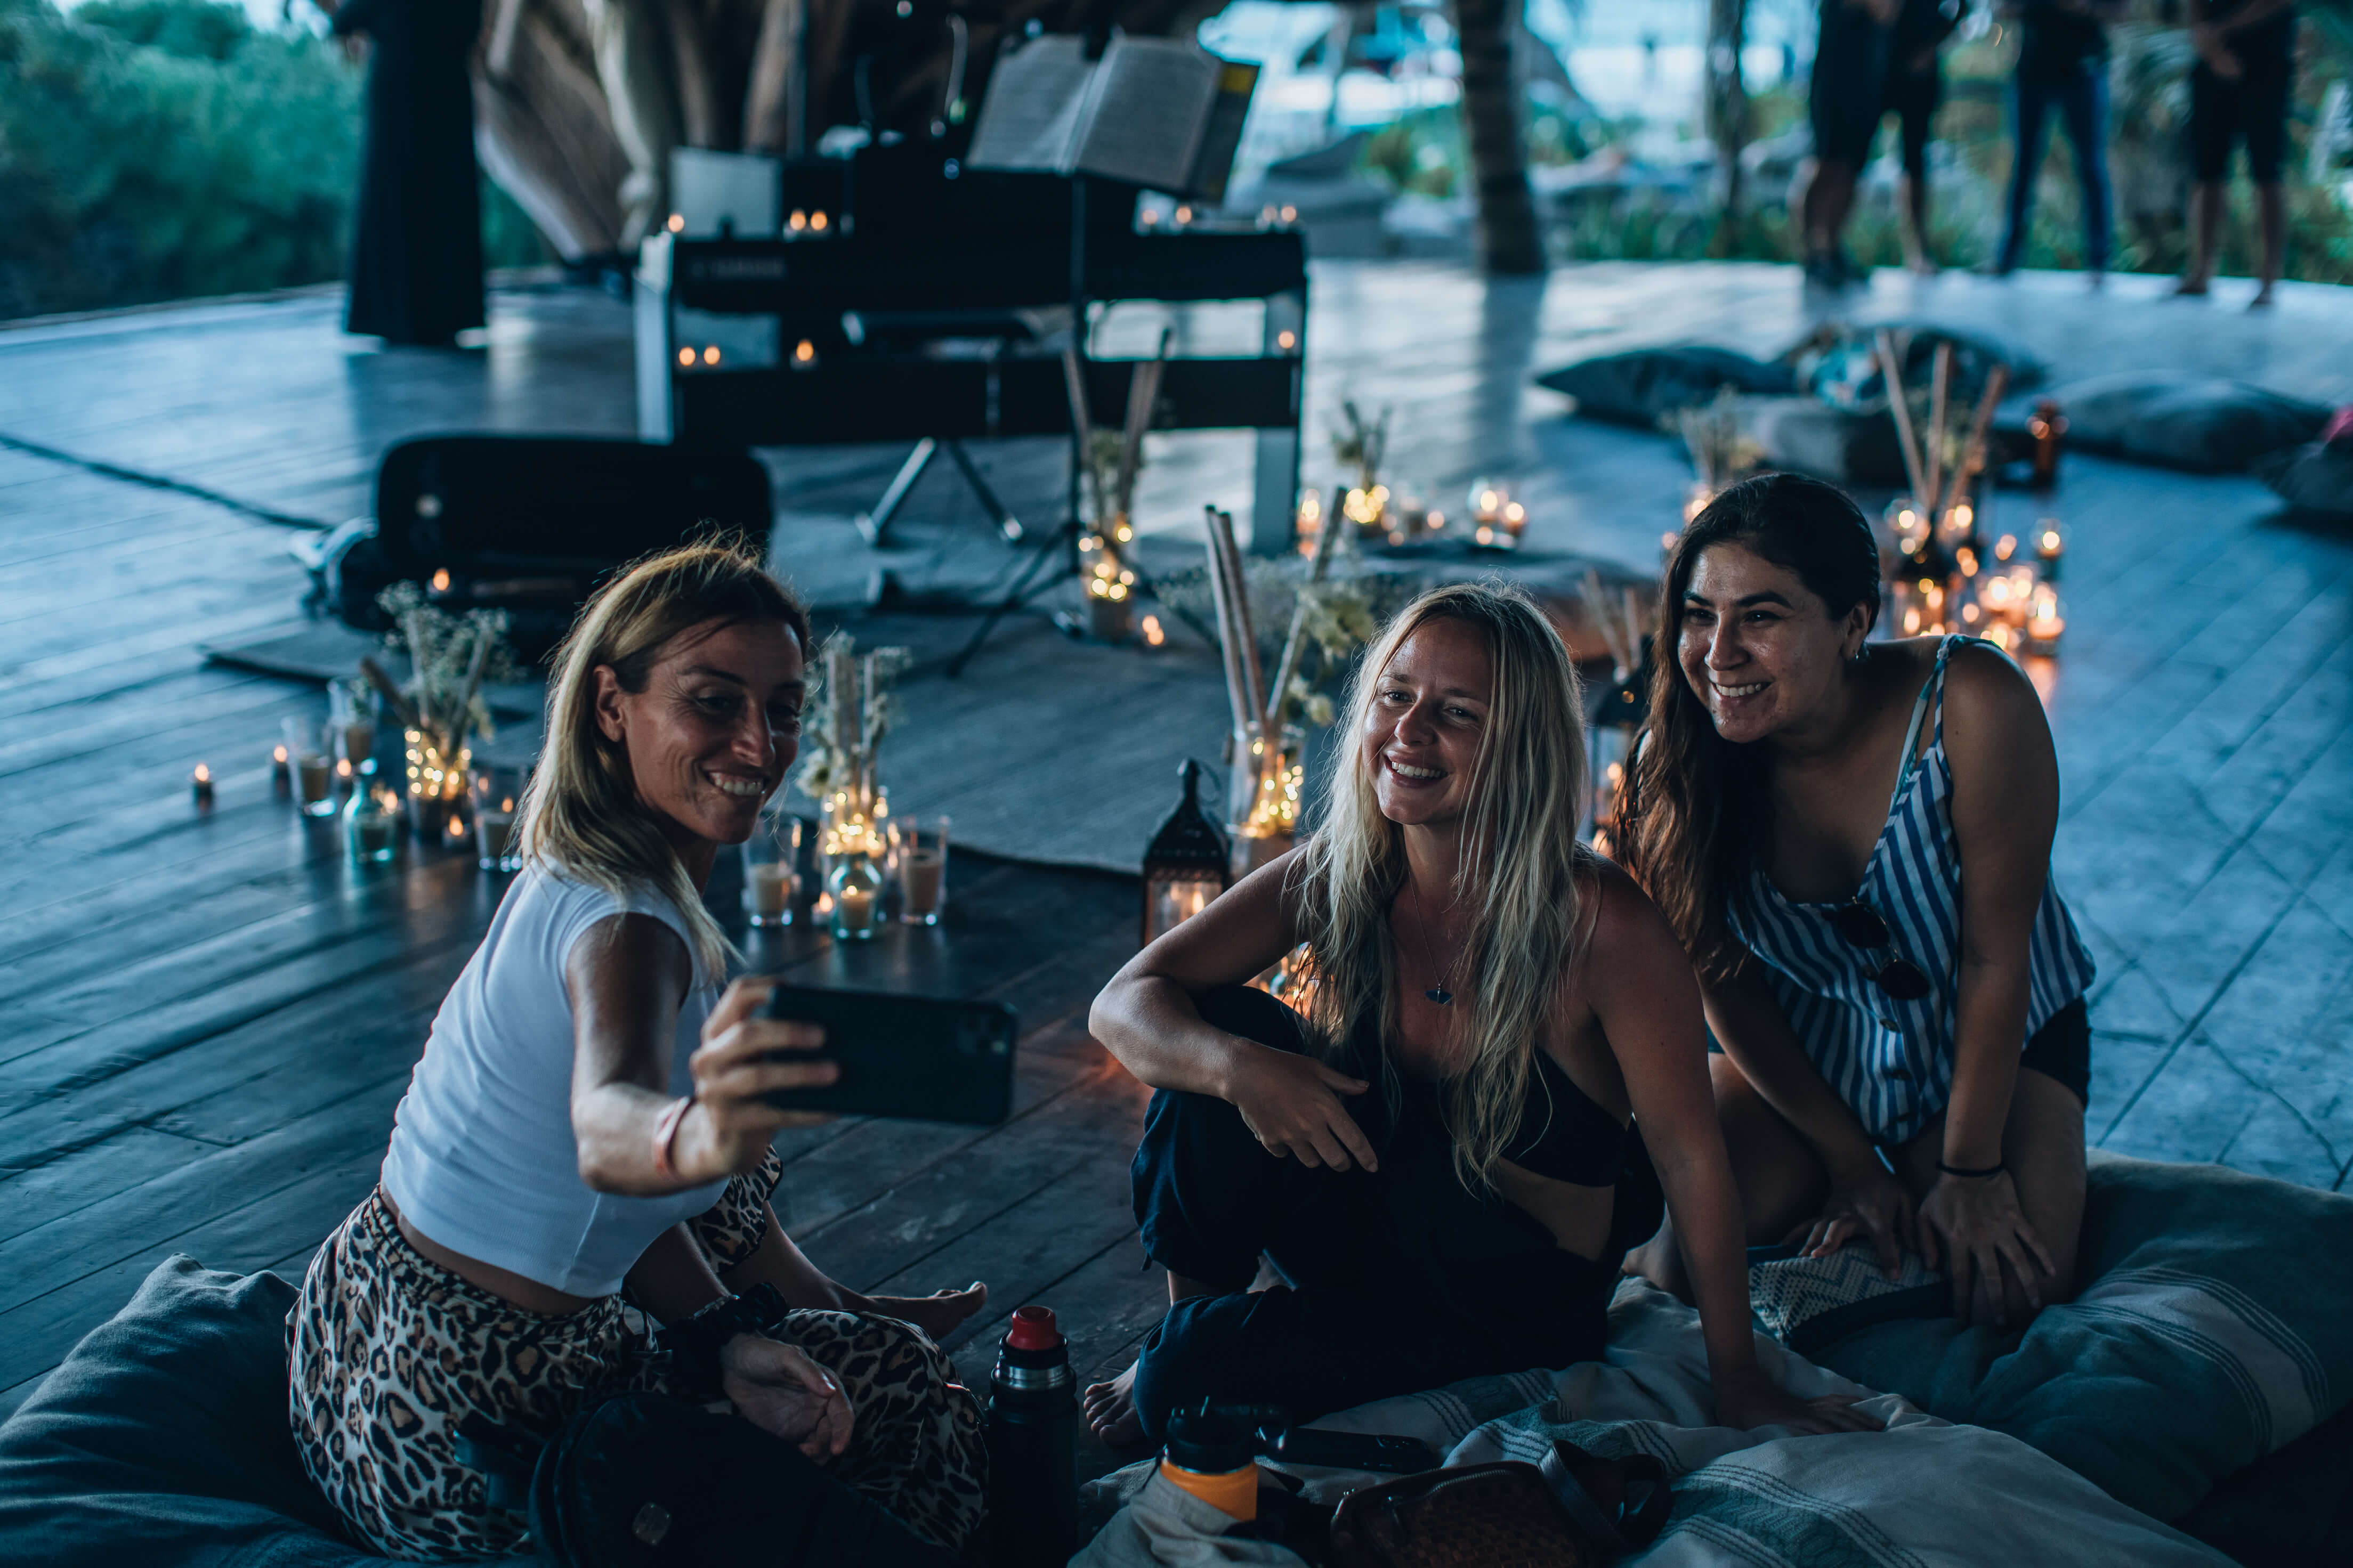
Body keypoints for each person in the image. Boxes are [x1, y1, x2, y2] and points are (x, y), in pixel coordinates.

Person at [286, 546, 990, 1562]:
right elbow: (608, 1127)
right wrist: (700, 1137)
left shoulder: (576, 861)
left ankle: (817, 1307)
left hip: (354, 1341)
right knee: (908, 1381)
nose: (759, 742)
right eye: (713, 701)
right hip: (478, 1431)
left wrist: (722, 1332)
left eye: (783, 708)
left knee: (719, 1178)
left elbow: (604, 1194)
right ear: (612, 705)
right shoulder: (629, 927)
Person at [1081, 583, 1882, 1448]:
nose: (1409, 730)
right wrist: (1237, 1068)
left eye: (1456, 712)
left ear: (1521, 745)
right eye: (1395, 695)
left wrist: (1738, 1378)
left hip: (1509, 1296)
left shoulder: (1602, 924)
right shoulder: (1343, 868)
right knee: (1222, 1027)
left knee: (1180, 1384)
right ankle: (1196, 1323)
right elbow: (1123, 1001)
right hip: (1370, 1230)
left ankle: (1189, 1357)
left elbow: (1691, 1159)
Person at [1620, 474, 2096, 1331]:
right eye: (1697, 615)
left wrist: (1968, 1170)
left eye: (1759, 616)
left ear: (1853, 622)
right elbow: (1720, 982)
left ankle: (1887, 1215)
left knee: (2011, 1282)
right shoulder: (1673, 762)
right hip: (1802, 1048)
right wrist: (1850, 1163)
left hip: (1992, 1035)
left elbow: (1996, 957)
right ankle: (1834, 1205)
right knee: (1681, 1263)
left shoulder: (1968, 703)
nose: (1719, 653)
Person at [316, 0, 488, 346]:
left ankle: (397, 317)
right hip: (448, 91)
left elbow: (346, 19)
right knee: (446, 202)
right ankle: (448, 315)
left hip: (399, 92)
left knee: (395, 203)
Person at [2176, 1, 2299, 307]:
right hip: (2211, 63)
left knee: (2267, 171)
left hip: (2267, 62)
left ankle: (2268, 281)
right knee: (2206, 170)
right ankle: (2201, 272)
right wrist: (2209, 45)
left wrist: (2222, 29)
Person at [1992, 1, 2125, 284]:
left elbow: (2121, 12)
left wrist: (2083, 8)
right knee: (2023, 166)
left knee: (2091, 166)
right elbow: (2002, 8)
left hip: (2084, 69)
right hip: (2032, 70)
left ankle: (2099, 261)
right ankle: (2007, 258)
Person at [1793, 0, 1899, 290]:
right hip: (1832, 82)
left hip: (1867, 82)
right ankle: (1811, 254)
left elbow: (1887, 14)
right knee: (1825, 166)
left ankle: (1831, 249)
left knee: (1851, 172)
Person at [1885, 0, 1962, 275]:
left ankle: (1918, 252)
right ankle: (1828, 248)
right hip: (1877, 59)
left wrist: (1931, 46)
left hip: (1922, 70)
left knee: (1915, 160)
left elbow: (1964, 8)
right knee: (1848, 154)